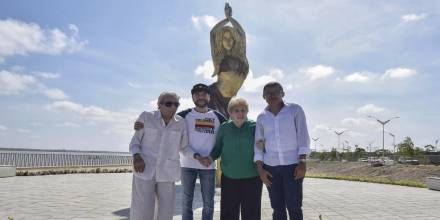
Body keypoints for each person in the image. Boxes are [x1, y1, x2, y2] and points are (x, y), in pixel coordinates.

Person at [134, 84, 227, 220]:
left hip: (209, 166)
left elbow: (231, 130)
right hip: (187, 166)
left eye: (204, 94)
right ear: (193, 97)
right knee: (186, 203)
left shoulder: (218, 117)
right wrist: (137, 124)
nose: (200, 96)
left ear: (209, 96)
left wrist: (212, 158)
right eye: (197, 94)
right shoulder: (183, 116)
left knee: (208, 203)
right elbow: (160, 119)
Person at [129, 92, 196, 220]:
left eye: (176, 104)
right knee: (142, 211)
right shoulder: (146, 117)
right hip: (144, 170)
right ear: (159, 105)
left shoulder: (181, 123)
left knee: (166, 213)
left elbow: (184, 147)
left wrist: (197, 156)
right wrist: (137, 157)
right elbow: (135, 142)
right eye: (168, 103)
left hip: (168, 172)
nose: (173, 107)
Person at [254, 82, 311, 220]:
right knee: (277, 207)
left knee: (294, 207)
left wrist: (302, 162)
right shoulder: (262, 117)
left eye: (275, 91)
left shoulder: (295, 110)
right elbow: (258, 144)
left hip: (293, 166)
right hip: (270, 168)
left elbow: (303, 137)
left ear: (283, 93)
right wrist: (260, 170)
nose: (272, 95)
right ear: (263, 96)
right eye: (268, 92)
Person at [203, 97, 262, 220]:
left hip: (252, 178)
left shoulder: (255, 127)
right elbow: (218, 148)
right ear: (230, 112)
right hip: (229, 178)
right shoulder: (224, 128)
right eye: (236, 110)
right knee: (228, 214)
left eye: (243, 110)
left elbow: (263, 147)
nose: (240, 113)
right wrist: (210, 158)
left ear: (247, 112)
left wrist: (264, 145)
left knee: (251, 214)